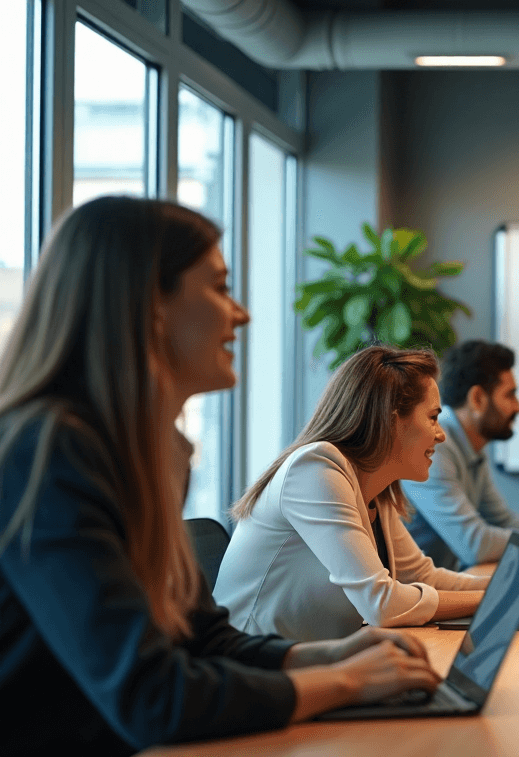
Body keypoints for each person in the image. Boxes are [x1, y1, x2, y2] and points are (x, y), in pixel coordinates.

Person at [0, 197, 450, 754]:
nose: (241, 313)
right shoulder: (48, 452)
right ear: (150, 306)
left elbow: (201, 637)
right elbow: (152, 698)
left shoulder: (152, 451)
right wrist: (348, 683)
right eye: (218, 287)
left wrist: (328, 655)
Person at [215, 345, 519, 642]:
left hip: (309, 663)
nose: (441, 434)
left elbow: (423, 578)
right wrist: (499, 597)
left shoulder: (374, 487)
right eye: (432, 418)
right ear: (392, 419)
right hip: (253, 673)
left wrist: (512, 583)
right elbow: (381, 604)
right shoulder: (315, 469)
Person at [403, 340, 519, 569]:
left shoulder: (470, 448)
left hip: (436, 588)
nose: (518, 407)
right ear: (477, 398)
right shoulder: (435, 447)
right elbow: (475, 545)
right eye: (510, 395)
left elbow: (500, 519)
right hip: (411, 597)